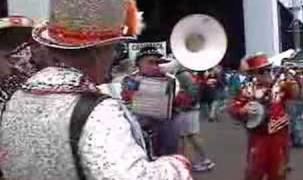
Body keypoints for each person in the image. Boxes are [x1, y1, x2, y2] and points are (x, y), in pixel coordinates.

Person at [0, 0, 192, 180]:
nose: (113, 56)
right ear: (98, 51)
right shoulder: (98, 110)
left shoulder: (18, 97)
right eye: (113, 49)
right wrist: (176, 166)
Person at [228, 54, 295, 180]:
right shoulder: (247, 89)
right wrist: (243, 110)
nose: (266, 73)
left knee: (278, 171)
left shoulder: (280, 85)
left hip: (278, 134)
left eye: (268, 69)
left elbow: (295, 94)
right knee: (254, 170)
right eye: (261, 71)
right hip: (258, 136)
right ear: (253, 74)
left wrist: (291, 78)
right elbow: (233, 108)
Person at [121, 46, 179, 157]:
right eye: (150, 62)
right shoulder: (130, 80)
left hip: (165, 130)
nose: (155, 66)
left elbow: (179, 103)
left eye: (158, 62)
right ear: (139, 64)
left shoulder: (170, 80)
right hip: (140, 130)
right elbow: (126, 101)